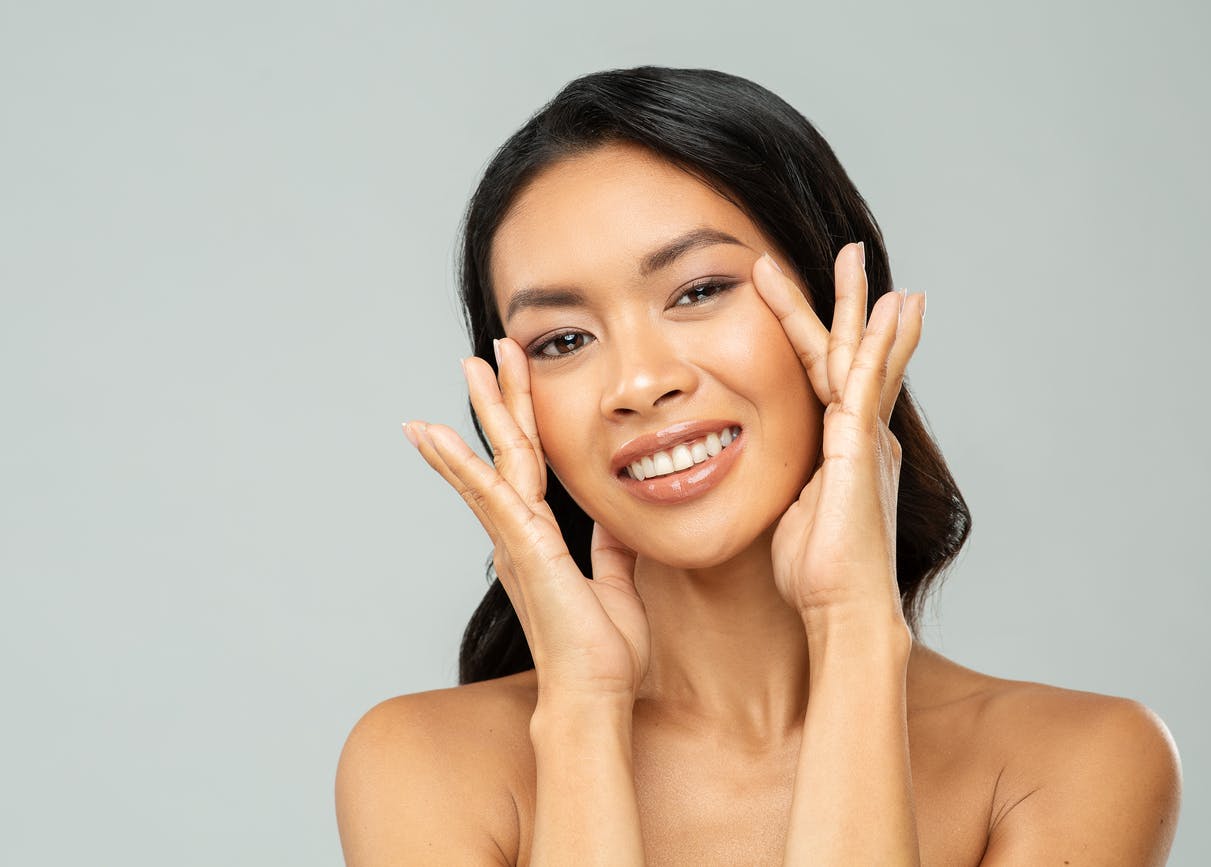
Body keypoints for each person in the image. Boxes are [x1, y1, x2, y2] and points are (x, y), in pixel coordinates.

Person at [335, 66, 1182, 865]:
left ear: (833, 305)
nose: (637, 382)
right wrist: (582, 710)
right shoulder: (425, 764)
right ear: (512, 405)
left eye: (698, 290)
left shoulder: (1073, 761)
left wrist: (852, 628)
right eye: (562, 340)